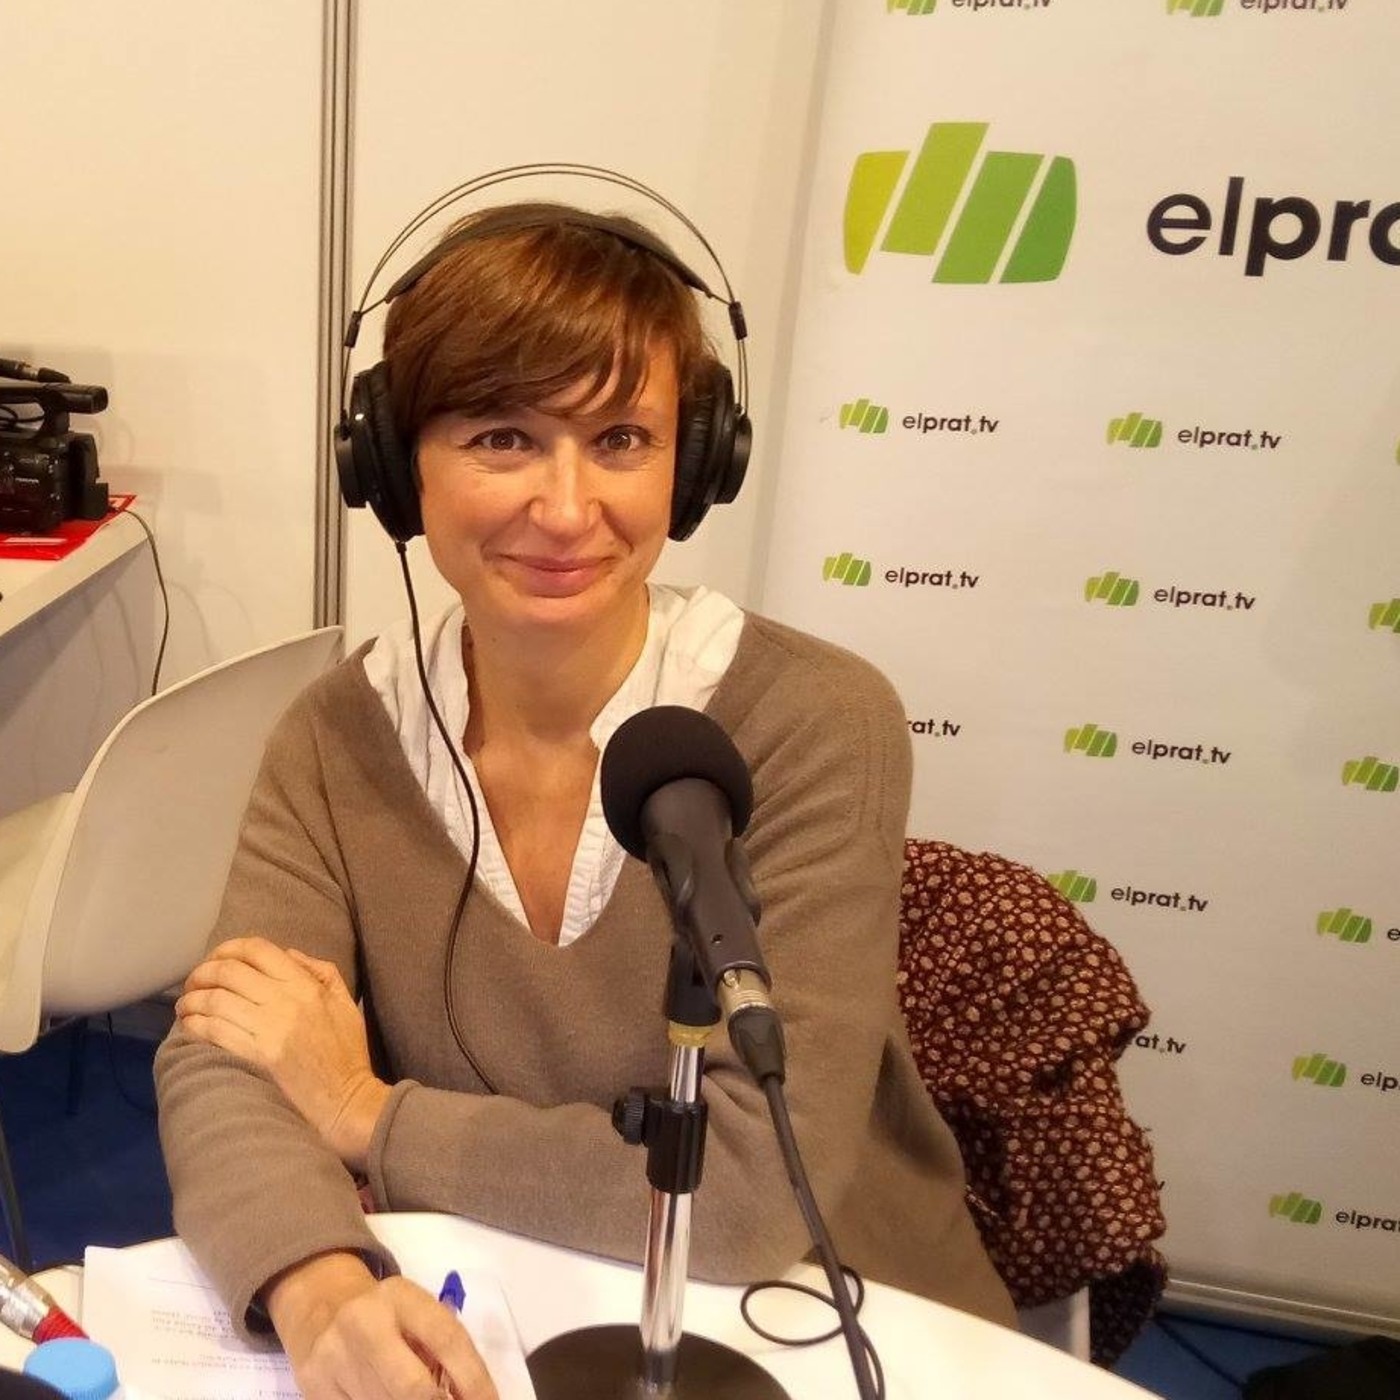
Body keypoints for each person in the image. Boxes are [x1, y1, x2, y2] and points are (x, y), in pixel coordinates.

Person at [154, 195, 1017, 1400]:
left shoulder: (815, 720)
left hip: (815, 1324)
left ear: (694, 462)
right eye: (502, 437)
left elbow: (746, 1193)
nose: (567, 510)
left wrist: (365, 1112)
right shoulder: (340, 734)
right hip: (492, 1299)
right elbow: (228, 1054)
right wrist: (320, 1287)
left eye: (620, 439)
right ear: (394, 466)